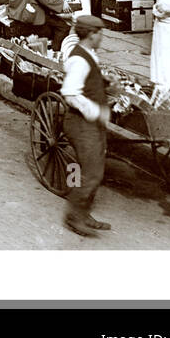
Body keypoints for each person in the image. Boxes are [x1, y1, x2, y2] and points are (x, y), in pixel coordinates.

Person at [59, 15, 112, 237]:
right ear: (92, 34)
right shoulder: (80, 60)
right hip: (81, 123)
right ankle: (73, 216)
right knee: (90, 173)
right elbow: (70, 93)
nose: (102, 38)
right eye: (100, 33)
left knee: (96, 168)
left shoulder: (89, 54)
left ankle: (84, 213)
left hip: (91, 123)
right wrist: (97, 111)